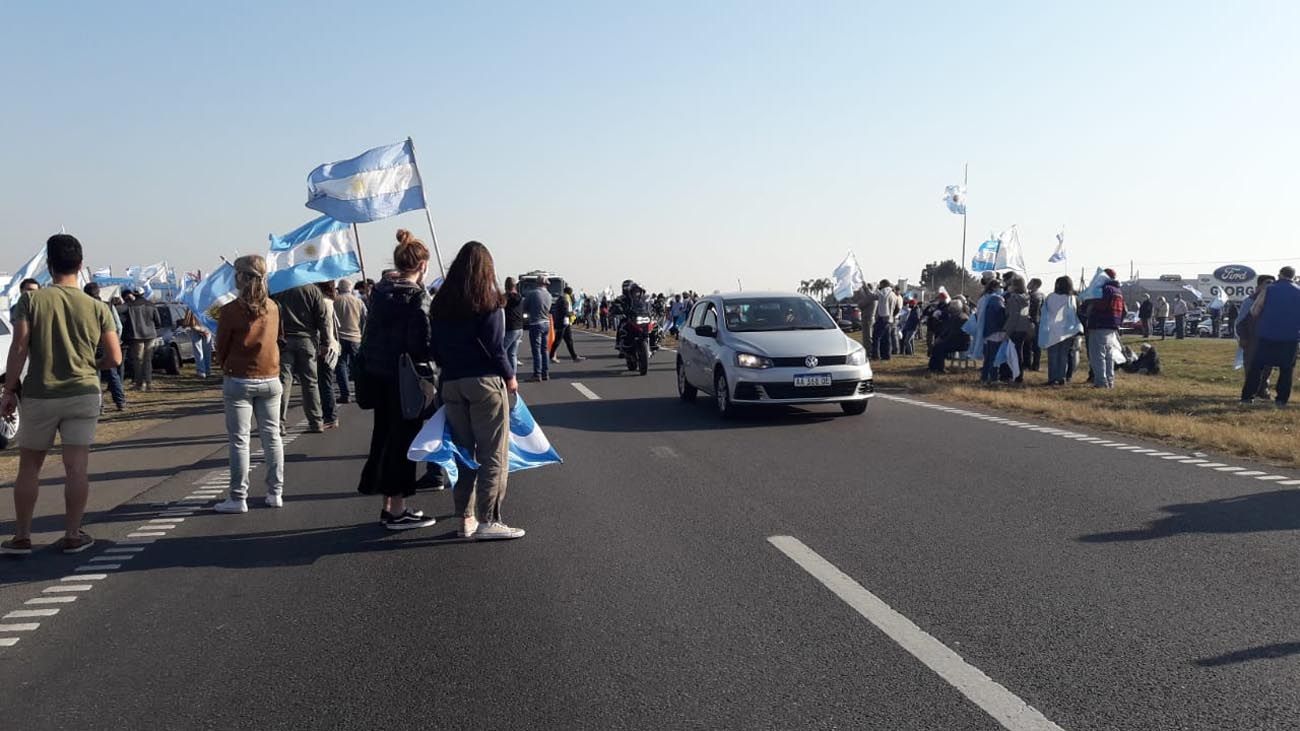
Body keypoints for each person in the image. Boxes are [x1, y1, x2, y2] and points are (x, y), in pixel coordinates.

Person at [1, 234, 121, 555]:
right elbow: (115, 358)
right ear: (80, 266)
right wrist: (91, 364)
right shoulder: (98, 307)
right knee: (76, 468)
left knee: (29, 467)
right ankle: (72, 534)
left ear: (49, 266)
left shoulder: (30, 301)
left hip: (40, 393)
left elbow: (20, 347)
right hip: (83, 392)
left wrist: (9, 389)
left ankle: (22, 536)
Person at [430, 241, 523, 540]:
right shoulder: (490, 302)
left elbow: (436, 348)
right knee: (492, 453)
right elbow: (496, 349)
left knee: (463, 453)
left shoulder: (440, 303)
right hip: (484, 383)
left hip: (451, 383)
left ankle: (465, 518)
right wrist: (510, 377)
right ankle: (489, 519)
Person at [355, 230, 439, 530]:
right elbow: (423, 344)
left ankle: (390, 505)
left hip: (378, 376)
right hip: (406, 380)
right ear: (423, 265)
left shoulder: (379, 292)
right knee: (404, 442)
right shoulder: (417, 297)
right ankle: (396, 510)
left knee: (385, 439)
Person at [212, 256, 285, 513]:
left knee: (240, 441)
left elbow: (221, 347)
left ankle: (238, 497)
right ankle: (275, 492)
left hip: (239, 377)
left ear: (241, 277)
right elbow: (278, 338)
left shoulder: (230, 310)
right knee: (272, 437)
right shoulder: (274, 307)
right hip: (271, 377)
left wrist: (226, 364)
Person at [272, 282, 331, 434]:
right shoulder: (312, 289)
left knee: (284, 382)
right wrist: (326, 342)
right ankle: (316, 421)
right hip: (307, 340)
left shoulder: (278, 287)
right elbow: (322, 317)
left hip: (283, 340)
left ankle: (279, 423)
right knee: (311, 382)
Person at [1242, 266, 1300, 407]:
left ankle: (1248, 397)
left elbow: (1255, 310)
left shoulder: (1269, 289)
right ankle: (1281, 400)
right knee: (1286, 370)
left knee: (1257, 367)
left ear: (1279, 275)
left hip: (1267, 335)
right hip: (1290, 337)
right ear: (1293, 276)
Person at [83, 282, 126, 411]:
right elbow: (119, 326)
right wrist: (115, 340)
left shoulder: (83, 307)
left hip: (91, 345)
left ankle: (99, 405)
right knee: (113, 374)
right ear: (98, 292)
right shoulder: (107, 306)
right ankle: (120, 402)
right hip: (107, 344)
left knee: (95, 377)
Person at [1237, 275, 1275, 401]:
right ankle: (1251, 391)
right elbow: (1240, 322)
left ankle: (1263, 389)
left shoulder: (1273, 301)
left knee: (1268, 367)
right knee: (1251, 367)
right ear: (1258, 286)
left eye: (1272, 283)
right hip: (1252, 340)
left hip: (1268, 339)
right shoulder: (1249, 301)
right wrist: (1243, 338)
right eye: (1267, 283)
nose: (1270, 286)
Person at [1086, 270, 1125, 388]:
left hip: (1100, 324)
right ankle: (1110, 380)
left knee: (1098, 355)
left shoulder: (1105, 290)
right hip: (1112, 327)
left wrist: (1090, 302)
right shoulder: (1118, 291)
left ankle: (1101, 382)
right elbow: (1124, 310)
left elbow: (1100, 306)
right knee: (1109, 356)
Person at [1040, 276, 1082, 386]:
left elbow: (1045, 313)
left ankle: (1052, 378)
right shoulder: (1072, 298)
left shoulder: (1050, 297)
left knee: (1053, 355)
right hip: (1067, 331)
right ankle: (1062, 377)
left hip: (1052, 330)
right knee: (1063, 355)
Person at [333, 279, 366, 404]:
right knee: (357, 368)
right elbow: (364, 319)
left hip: (339, 337)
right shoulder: (358, 301)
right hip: (355, 337)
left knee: (341, 367)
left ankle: (345, 394)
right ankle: (360, 393)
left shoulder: (334, 301)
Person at [315, 281, 341, 429]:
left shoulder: (322, 302)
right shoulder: (330, 302)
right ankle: (329, 415)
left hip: (325, 346)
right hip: (332, 345)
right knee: (326, 381)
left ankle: (330, 416)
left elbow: (324, 325)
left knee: (325, 383)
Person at [123, 287, 161, 391]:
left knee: (138, 360)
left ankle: (139, 384)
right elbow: (158, 321)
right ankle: (149, 383)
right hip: (150, 335)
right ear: (143, 294)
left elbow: (121, 316)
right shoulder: (151, 305)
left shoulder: (130, 306)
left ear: (134, 295)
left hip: (136, 336)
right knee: (148, 360)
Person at [522, 278, 553, 382]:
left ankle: (537, 374)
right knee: (545, 350)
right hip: (546, 323)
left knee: (536, 351)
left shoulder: (533, 293)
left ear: (537, 283)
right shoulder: (549, 295)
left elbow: (524, 307)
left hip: (536, 323)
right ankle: (545, 373)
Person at [927, 300, 970, 373]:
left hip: (961, 343)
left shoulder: (962, 318)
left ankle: (940, 368)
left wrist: (943, 340)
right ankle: (933, 367)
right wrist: (940, 338)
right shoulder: (955, 316)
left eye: (952, 309)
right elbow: (947, 330)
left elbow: (954, 333)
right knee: (937, 345)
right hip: (954, 340)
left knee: (940, 347)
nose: (950, 310)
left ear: (956, 309)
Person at [979, 279, 1007, 384]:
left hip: (987, 330)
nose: (1001, 289)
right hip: (995, 331)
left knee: (988, 357)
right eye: (1000, 287)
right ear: (995, 287)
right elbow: (1000, 315)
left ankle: (984, 377)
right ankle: (994, 378)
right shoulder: (997, 299)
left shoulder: (985, 298)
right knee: (994, 356)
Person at [1004, 276, 1032, 384]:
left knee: (1014, 354)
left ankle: (1016, 376)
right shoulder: (1026, 298)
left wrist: (1007, 331)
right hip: (1023, 328)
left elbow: (1013, 317)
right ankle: (1019, 375)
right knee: (1019, 352)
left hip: (1015, 329)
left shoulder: (1013, 299)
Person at [549, 285, 584, 363]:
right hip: (562, 322)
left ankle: (574, 357)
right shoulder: (564, 299)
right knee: (558, 340)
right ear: (570, 293)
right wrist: (573, 313)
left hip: (566, 322)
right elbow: (565, 312)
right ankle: (551, 356)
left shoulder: (562, 298)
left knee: (569, 340)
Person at [870, 280, 901, 361]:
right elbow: (897, 308)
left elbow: (874, 296)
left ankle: (875, 355)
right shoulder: (893, 294)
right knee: (886, 338)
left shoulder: (883, 292)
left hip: (882, 317)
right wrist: (892, 315)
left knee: (876, 337)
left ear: (883, 284)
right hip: (890, 319)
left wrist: (874, 288)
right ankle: (886, 355)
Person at [180, 309, 214, 379]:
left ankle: (201, 372)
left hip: (195, 326)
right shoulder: (209, 303)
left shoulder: (192, 302)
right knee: (206, 351)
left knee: (198, 351)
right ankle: (207, 370)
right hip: (206, 327)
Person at [503, 277, 525, 372]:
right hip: (519, 328)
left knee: (501, 351)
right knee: (512, 354)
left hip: (511, 328)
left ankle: (504, 374)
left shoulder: (506, 298)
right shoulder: (519, 297)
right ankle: (513, 375)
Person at [1026, 278, 1045, 370]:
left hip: (1034, 321)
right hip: (1036, 321)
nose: (1028, 284)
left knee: (1034, 344)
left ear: (1036, 285)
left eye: (1030, 283)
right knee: (1029, 344)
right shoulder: (1040, 295)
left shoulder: (1035, 295)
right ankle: (1030, 364)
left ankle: (1034, 364)